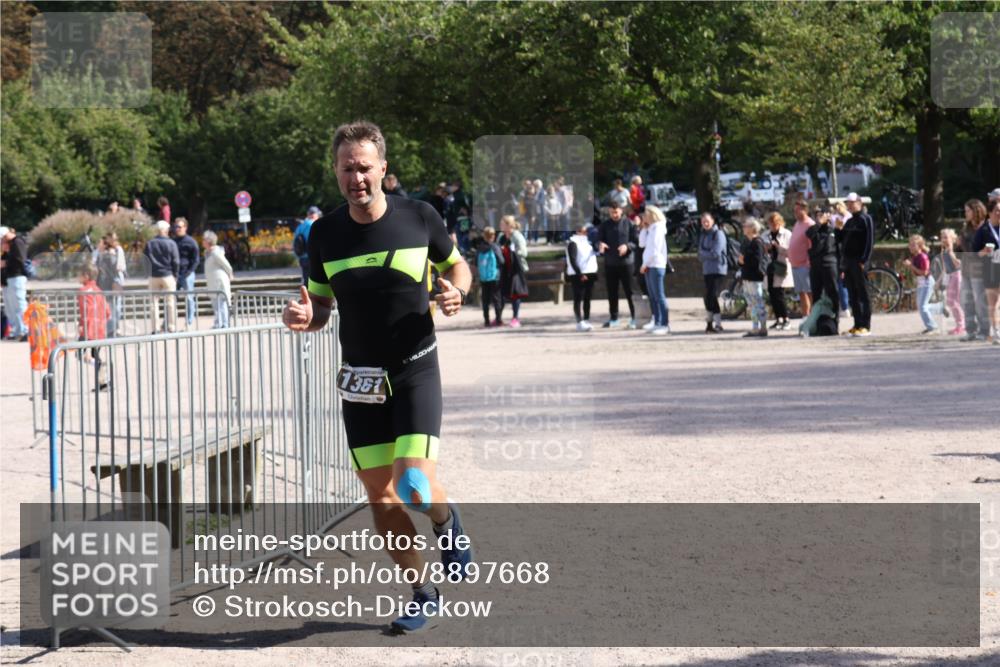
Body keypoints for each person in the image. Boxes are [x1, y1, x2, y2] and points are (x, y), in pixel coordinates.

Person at [282, 121, 474, 634]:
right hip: (360, 382)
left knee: (413, 484)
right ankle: (422, 592)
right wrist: (305, 317)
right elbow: (321, 306)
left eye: (365, 167)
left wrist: (456, 292)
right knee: (381, 496)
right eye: (347, 169)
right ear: (336, 171)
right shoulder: (324, 234)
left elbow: (458, 267)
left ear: (383, 168)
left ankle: (445, 520)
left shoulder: (419, 216)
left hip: (415, 369)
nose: (357, 178)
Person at [838, 192, 874, 336]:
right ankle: (857, 324)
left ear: (860, 203)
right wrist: (837, 229)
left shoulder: (866, 219)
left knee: (863, 294)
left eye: (853, 202)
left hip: (859, 261)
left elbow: (870, 241)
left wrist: (864, 260)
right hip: (848, 262)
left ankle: (866, 325)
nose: (850, 205)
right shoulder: (849, 221)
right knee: (853, 294)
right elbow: (841, 240)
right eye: (849, 203)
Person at [597, 202, 638, 329]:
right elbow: (598, 240)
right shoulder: (604, 225)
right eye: (611, 212)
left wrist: (627, 246)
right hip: (610, 263)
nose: (614, 215)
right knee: (612, 292)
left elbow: (636, 241)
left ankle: (635, 317)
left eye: (616, 212)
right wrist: (600, 245)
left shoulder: (629, 223)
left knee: (630, 292)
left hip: (627, 263)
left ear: (621, 211)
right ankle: (614, 318)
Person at [805, 207, 841, 333]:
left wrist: (841, 267)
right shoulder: (814, 229)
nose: (820, 217)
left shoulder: (834, 230)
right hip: (816, 265)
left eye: (822, 214)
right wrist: (819, 223)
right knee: (816, 294)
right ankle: (816, 324)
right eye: (817, 215)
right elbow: (809, 234)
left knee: (833, 293)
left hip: (830, 264)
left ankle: (835, 322)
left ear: (829, 215)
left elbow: (839, 248)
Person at [958, 199, 989, 341]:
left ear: (976, 211)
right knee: (966, 301)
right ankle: (971, 330)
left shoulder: (986, 227)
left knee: (980, 301)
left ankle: (984, 330)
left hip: (980, 269)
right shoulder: (966, 228)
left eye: (968, 211)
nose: (966, 213)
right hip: (966, 267)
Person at [77, 264, 110, 389]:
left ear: (86, 276)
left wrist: (81, 324)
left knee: (79, 354)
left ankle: (99, 365)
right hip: (99, 329)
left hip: (88, 328)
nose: (78, 277)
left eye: (79, 275)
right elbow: (107, 311)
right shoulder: (99, 290)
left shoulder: (83, 291)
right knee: (95, 354)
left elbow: (84, 310)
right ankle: (103, 382)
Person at [971, 197, 1000, 344]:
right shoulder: (983, 231)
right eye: (997, 211)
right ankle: (996, 332)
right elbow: (974, 254)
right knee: (993, 304)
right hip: (991, 270)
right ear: (990, 212)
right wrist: (984, 251)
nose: (999, 213)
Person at [638, 205, 669, 335]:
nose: (643, 217)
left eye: (645, 215)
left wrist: (644, 264)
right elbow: (642, 244)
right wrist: (644, 229)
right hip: (649, 265)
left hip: (656, 265)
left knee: (659, 296)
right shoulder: (651, 229)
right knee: (653, 296)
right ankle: (657, 322)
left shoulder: (658, 229)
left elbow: (655, 250)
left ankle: (664, 324)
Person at [144, 220, 179, 332]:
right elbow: (176, 261)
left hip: (153, 275)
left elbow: (145, 260)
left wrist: (148, 272)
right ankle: (171, 326)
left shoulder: (150, 243)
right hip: (167, 274)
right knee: (170, 302)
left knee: (153, 303)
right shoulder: (171, 243)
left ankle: (155, 328)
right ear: (165, 230)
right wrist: (175, 274)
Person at [697, 212, 727, 333]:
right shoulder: (703, 234)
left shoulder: (718, 234)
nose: (705, 223)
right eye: (703, 221)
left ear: (712, 221)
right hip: (707, 270)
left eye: (707, 221)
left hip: (718, 269)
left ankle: (717, 323)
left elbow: (716, 253)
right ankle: (709, 323)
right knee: (708, 297)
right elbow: (699, 253)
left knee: (712, 295)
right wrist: (705, 253)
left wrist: (703, 253)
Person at [565, 222, 598, 331]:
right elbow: (573, 260)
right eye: (584, 231)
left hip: (590, 272)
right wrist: (580, 274)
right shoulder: (573, 243)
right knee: (578, 298)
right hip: (578, 274)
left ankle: (586, 319)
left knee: (587, 298)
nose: (586, 233)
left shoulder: (588, 242)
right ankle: (579, 321)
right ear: (578, 232)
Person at [738, 218, 768, 337]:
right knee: (751, 304)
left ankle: (763, 327)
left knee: (758, 302)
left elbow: (757, 261)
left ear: (752, 228)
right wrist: (741, 261)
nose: (743, 227)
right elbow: (741, 259)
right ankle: (755, 327)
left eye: (745, 225)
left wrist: (744, 260)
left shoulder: (757, 242)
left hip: (755, 278)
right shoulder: (747, 241)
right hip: (746, 276)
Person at [498, 215, 529, 327]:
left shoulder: (517, 236)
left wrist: (512, 251)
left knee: (515, 294)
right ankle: (498, 318)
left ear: (508, 225)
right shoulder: (501, 236)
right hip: (504, 268)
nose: (500, 226)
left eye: (502, 224)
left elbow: (524, 252)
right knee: (501, 293)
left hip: (516, 269)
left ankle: (515, 318)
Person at [764, 212, 792, 330]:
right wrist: (766, 248)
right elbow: (761, 249)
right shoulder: (765, 234)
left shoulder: (786, 234)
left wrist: (778, 246)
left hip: (781, 265)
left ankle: (786, 319)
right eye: (771, 223)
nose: (773, 226)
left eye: (775, 223)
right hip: (769, 266)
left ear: (780, 222)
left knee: (779, 293)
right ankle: (778, 319)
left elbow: (790, 251)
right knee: (772, 293)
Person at [902, 234, 936, 334]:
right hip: (921, 283)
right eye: (910, 245)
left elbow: (924, 272)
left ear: (920, 246)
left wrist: (911, 266)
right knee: (921, 305)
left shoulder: (923, 257)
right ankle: (931, 325)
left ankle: (932, 327)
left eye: (913, 245)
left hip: (927, 282)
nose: (910, 247)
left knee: (922, 306)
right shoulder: (915, 256)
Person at [1, 226, 30, 341]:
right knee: (11, 307)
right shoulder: (10, 245)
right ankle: (17, 330)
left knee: (19, 305)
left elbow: (20, 259)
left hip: (17, 277)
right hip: (9, 278)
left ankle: (25, 330)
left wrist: (6, 263)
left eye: (2, 239)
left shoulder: (17, 242)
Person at [787, 199, 814, 317]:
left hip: (805, 265)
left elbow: (812, 245)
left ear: (805, 210)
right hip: (795, 265)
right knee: (801, 293)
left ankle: (813, 316)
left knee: (809, 292)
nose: (795, 213)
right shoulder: (797, 224)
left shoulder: (810, 224)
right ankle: (805, 317)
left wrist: (808, 262)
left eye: (798, 210)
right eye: (794, 211)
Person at [173, 217, 200, 326]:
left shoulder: (191, 242)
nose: (177, 229)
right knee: (171, 298)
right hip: (175, 274)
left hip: (187, 274)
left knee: (189, 298)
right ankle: (171, 323)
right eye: (176, 227)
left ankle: (189, 322)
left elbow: (196, 260)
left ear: (185, 227)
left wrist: (189, 272)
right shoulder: (173, 241)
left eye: (179, 227)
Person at [476, 227, 504, 327]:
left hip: (483, 277)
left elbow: (476, 262)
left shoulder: (480, 248)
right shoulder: (495, 247)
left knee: (485, 300)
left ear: (484, 236)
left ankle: (486, 321)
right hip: (494, 276)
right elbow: (501, 261)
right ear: (493, 236)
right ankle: (498, 320)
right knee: (497, 299)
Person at [939, 229, 965, 336]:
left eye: (946, 237)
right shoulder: (943, 252)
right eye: (942, 237)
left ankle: (961, 325)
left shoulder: (955, 250)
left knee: (954, 302)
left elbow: (959, 264)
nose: (944, 239)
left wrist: (951, 254)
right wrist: (939, 281)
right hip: (950, 277)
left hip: (957, 276)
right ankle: (960, 325)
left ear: (952, 239)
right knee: (952, 302)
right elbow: (945, 269)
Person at [294, 206, 322, 285]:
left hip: (302, 258)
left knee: (306, 279)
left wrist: (298, 257)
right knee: (316, 281)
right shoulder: (314, 225)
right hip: (313, 258)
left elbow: (294, 243)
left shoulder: (300, 226)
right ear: (314, 215)